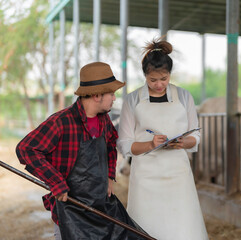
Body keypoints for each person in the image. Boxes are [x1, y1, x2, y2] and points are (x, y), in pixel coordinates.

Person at [16, 62, 149, 240]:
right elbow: (26, 149)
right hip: (70, 210)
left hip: (101, 206)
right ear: (96, 96)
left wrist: (110, 175)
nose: (114, 98)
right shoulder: (61, 122)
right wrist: (56, 182)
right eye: (111, 93)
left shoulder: (104, 121)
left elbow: (110, 143)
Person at [117, 39, 209, 240]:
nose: (159, 85)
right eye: (153, 80)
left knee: (182, 226)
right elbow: (124, 143)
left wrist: (184, 142)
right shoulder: (132, 100)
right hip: (146, 176)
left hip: (177, 173)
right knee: (145, 225)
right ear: (145, 76)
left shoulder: (184, 97)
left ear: (170, 75)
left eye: (164, 79)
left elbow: (196, 136)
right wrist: (150, 144)